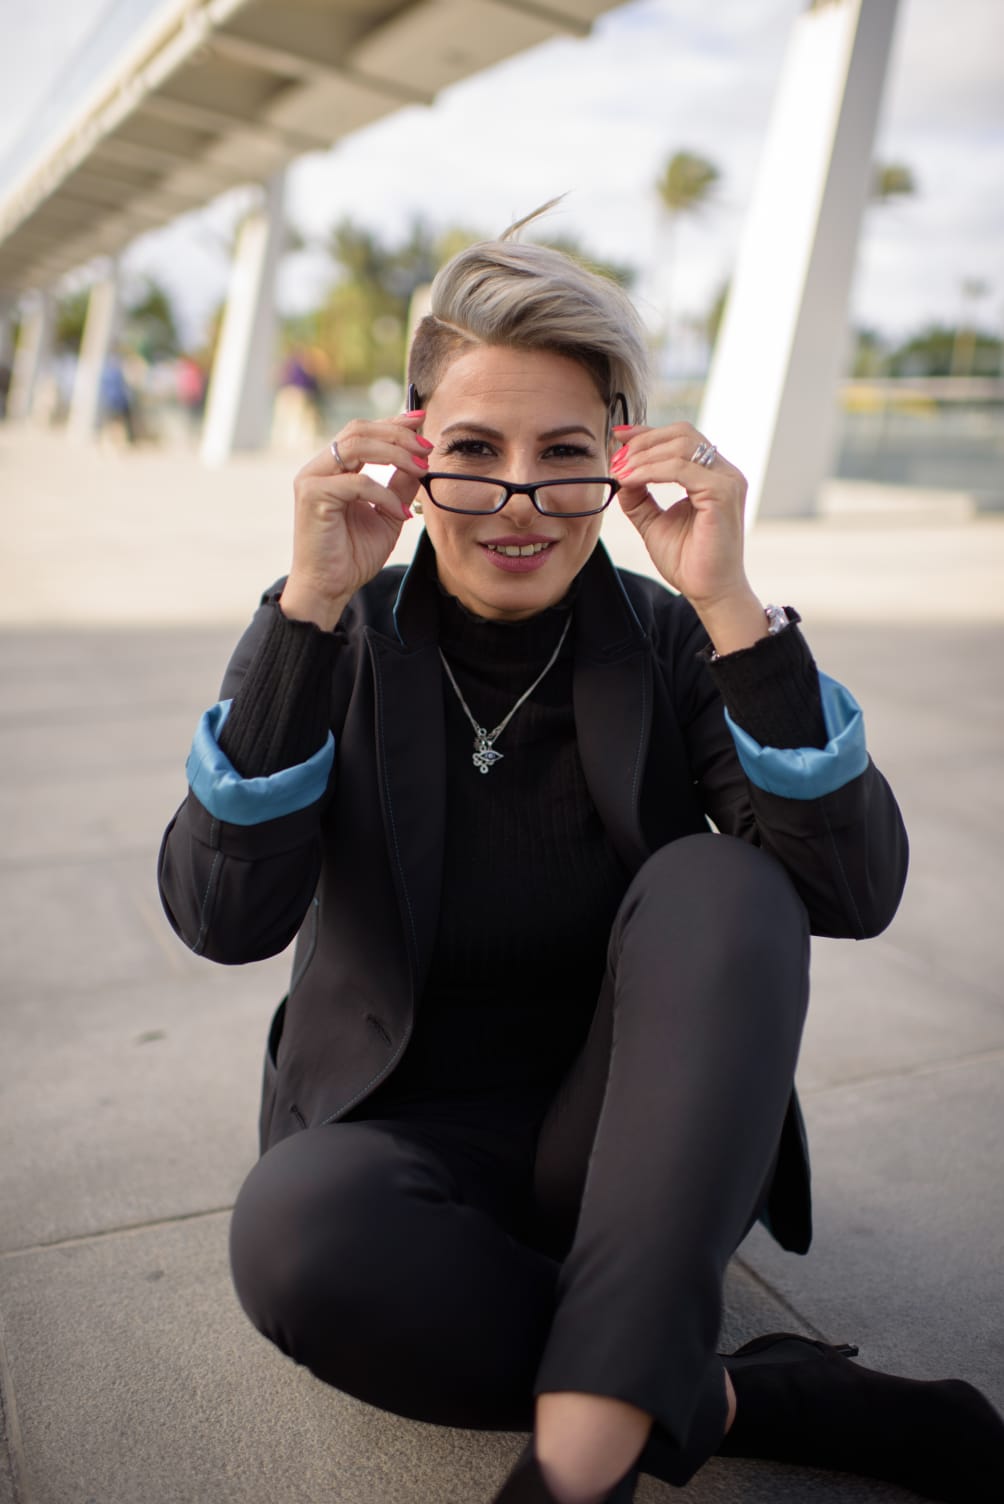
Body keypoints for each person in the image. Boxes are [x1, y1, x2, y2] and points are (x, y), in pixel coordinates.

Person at [158, 214, 1004, 1504]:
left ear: (620, 454)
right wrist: (309, 605)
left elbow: (854, 890)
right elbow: (223, 918)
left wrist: (730, 603)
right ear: (411, 451)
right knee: (295, 1236)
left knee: (724, 881)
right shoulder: (334, 631)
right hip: (395, 1141)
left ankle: (579, 1460)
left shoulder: (670, 635)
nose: (520, 502)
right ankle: (743, 1392)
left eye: (563, 456)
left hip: (637, 1144)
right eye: (474, 452)